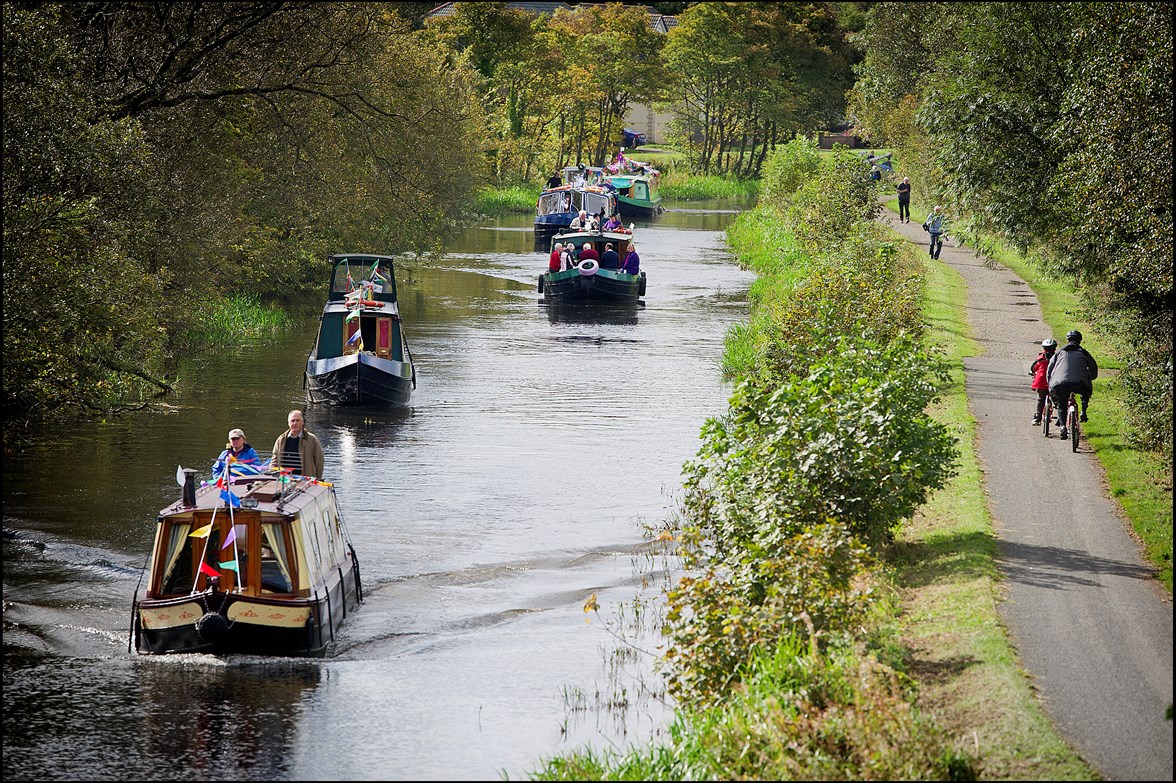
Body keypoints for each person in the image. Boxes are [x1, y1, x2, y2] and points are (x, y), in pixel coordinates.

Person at [1047, 330, 1098, 437]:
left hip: (1060, 383)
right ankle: (1083, 411)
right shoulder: (1084, 353)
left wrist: (1050, 383)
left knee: (1062, 404)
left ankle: (1062, 427)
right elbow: (1093, 368)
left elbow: (1050, 369)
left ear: (1067, 340)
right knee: (1085, 391)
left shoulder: (1060, 352)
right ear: (1080, 340)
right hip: (1080, 383)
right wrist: (1091, 377)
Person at [271, 409, 325, 479]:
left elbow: (319, 461)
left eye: (297, 420)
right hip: (285, 480)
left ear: (302, 422)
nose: (295, 423)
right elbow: (274, 459)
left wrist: (318, 479)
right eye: (292, 421)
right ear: (288, 423)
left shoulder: (312, 439)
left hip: (305, 481)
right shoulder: (281, 439)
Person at [1029, 338, 1058, 425]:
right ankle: (1061, 418)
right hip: (1054, 382)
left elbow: (1033, 368)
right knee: (1057, 399)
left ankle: (1037, 418)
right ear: (1055, 348)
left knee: (1041, 399)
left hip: (1041, 383)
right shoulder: (1057, 358)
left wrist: (1033, 372)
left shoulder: (1041, 358)